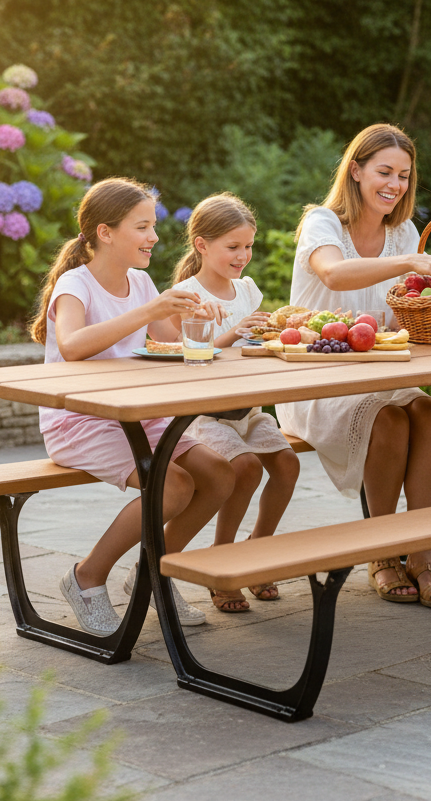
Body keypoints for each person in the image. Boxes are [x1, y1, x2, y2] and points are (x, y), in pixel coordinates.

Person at [30, 176, 235, 635]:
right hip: (78, 422)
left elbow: (168, 343)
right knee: (174, 487)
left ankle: (152, 572)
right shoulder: (75, 285)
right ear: (105, 232)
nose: (154, 237)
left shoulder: (140, 283)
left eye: (153, 226)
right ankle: (86, 577)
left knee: (221, 474)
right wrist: (148, 311)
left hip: (136, 417)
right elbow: (72, 345)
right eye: (142, 227)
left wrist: (195, 319)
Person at [279, 123, 431, 608]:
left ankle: (422, 556)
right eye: (384, 172)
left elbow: (405, 309)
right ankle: (381, 553)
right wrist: (409, 263)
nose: (395, 185)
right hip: (316, 380)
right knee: (388, 419)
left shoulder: (401, 232)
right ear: (356, 170)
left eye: (404, 176)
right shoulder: (323, 222)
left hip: (377, 374)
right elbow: (333, 273)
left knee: (428, 412)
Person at [169, 193, 301, 613]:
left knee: (287, 465)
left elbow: (252, 347)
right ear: (202, 245)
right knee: (244, 467)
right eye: (233, 246)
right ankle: (222, 564)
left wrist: (277, 334)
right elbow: (190, 358)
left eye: (248, 246)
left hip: (248, 409)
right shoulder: (185, 295)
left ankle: (255, 553)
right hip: (203, 414)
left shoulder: (247, 289)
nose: (243, 255)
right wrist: (234, 332)